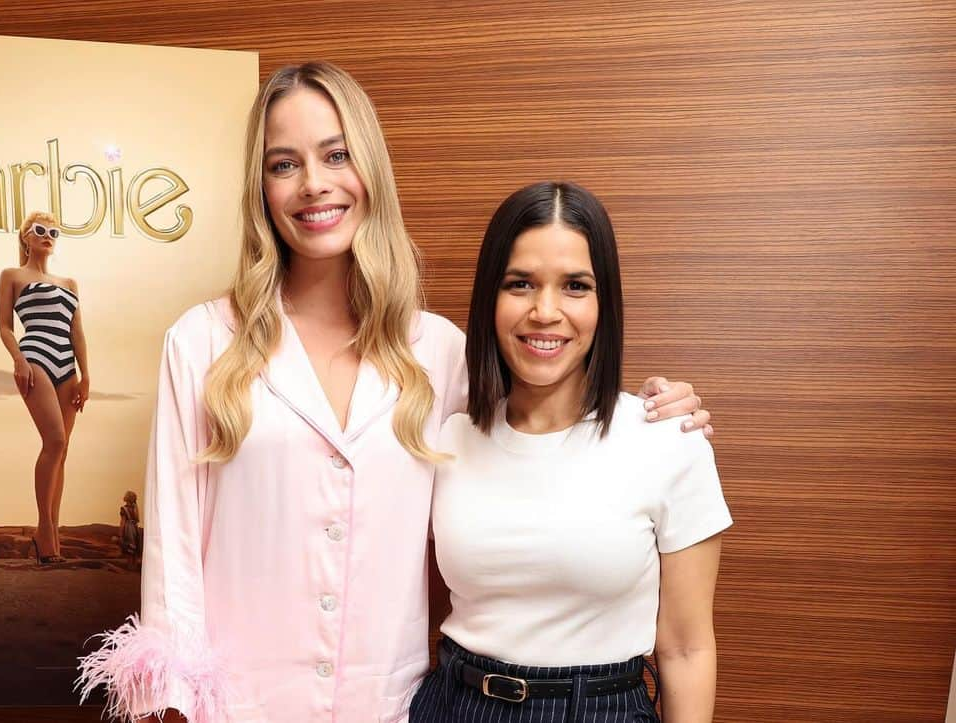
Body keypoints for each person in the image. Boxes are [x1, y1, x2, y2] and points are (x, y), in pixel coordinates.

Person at [76, 62, 711, 723]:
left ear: (370, 169)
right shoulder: (201, 344)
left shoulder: (441, 353)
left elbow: (545, 424)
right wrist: (171, 707)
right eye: (284, 164)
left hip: (395, 709)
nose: (314, 183)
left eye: (336, 154)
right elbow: (172, 556)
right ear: (260, 187)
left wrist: (658, 408)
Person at [410, 182, 731, 723]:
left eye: (575, 286)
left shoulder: (665, 439)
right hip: (455, 704)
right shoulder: (446, 439)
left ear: (605, 302)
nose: (545, 311)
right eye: (520, 284)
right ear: (490, 295)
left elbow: (687, 649)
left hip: (598, 709)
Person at [0, 212, 91, 564]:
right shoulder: (12, 275)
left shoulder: (69, 282)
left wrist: (86, 375)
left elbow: (77, 331)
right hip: (35, 356)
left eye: (53, 231)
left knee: (62, 451)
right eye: (40, 230)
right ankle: (44, 528)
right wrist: (18, 359)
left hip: (67, 365)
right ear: (25, 236)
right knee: (55, 441)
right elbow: (5, 326)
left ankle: (52, 528)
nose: (47, 236)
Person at [119, 491, 143, 567]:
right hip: (135, 528)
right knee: (135, 545)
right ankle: (134, 565)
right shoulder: (135, 508)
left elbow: (123, 522)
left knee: (129, 546)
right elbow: (137, 520)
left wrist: (121, 533)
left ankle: (130, 565)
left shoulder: (124, 509)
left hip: (128, 528)